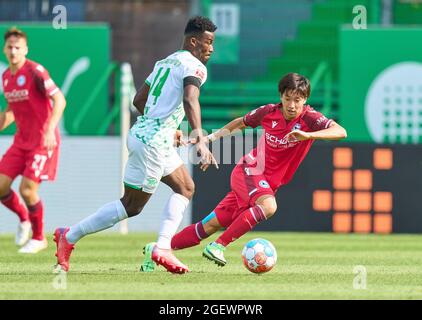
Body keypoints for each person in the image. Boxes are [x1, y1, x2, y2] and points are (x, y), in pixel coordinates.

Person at [54, 16, 218, 274]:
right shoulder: (196, 67)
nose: (211, 48)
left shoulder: (165, 62)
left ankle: (163, 247)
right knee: (132, 206)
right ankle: (70, 236)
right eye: (208, 42)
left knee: (186, 187)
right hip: (152, 142)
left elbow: (139, 100)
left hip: (149, 135)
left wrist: (165, 126)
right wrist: (198, 137)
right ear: (194, 41)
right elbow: (190, 99)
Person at [141, 72, 347, 270]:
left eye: (298, 100)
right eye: (288, 98)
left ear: (305, 99)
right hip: (250, 170)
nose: (292, 105)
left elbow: (340, 132)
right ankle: (218, 246)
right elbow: (240, 123)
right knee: (269, 206)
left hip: (266, 183)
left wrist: (308, 135)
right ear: (281, 97)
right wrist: (208, 139)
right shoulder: (269, 112)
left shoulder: (310, 119)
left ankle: (158, 249)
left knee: (208, 226)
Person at [0, 27, 66, 253]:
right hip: (21, 142)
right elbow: (11, 111)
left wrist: (49, 130)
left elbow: (60, 100)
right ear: (4, 49)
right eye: (10, 47)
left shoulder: (36, 71)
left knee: (27, 190)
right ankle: (24, 219)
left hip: (41, 141)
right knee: (0, 187)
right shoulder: (6, 77)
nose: (13, 51)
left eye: (18, 47)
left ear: (25, 49)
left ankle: (39, 238)